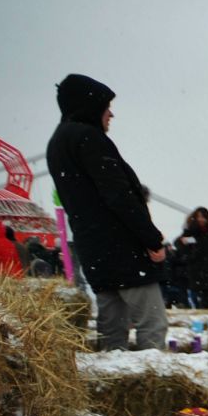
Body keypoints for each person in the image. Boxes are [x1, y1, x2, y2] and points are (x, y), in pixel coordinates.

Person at [44, 74, 168, 350]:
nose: (111, 113)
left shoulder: (57, 143)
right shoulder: (89, 138)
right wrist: (151, 238)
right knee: (152, 324)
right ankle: (152, 381)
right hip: (123, 250)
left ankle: (112, 380)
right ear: (90, 107)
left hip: (95, 250)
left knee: (112, 331)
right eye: (106, 106)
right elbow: (119, 195)